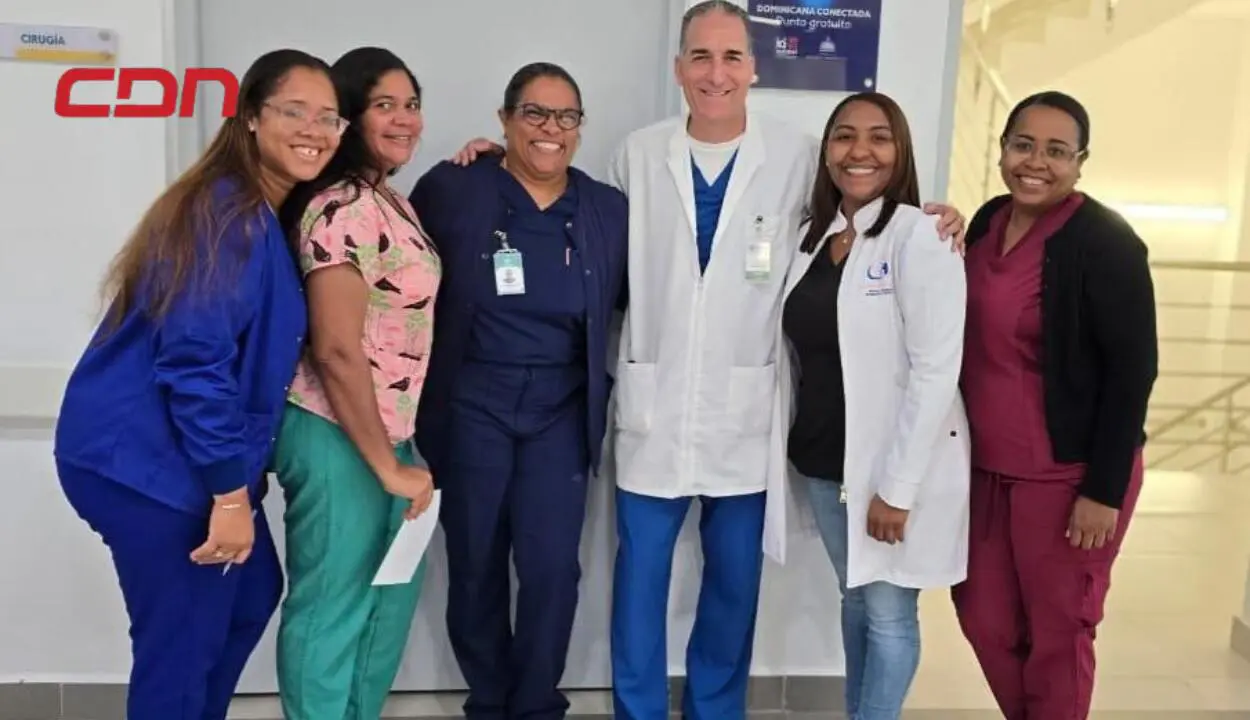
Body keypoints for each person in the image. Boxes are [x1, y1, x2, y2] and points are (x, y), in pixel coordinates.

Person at [450, 4, 963, 716]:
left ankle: (714, 710)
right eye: (700, 56)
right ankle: (638, 709)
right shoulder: (636, 155)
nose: (715, 73)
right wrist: (493, 160)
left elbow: (856, 216)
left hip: (747, 412)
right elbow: (580, 226)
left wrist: (938, 213)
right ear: (678, 68)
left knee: (732, 588)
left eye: (730, 57)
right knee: (639, 583)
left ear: (753, 68)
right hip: (654, 406)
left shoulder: (795, 156)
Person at [51, 49, 341, 720]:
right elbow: (194, 364)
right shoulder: (226, 214)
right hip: (144, 463)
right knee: (182, 645)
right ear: (250, 118)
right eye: (294, 111)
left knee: (247, 597)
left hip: (178, 456)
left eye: (329, 117)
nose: (314, 129)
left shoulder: (260, 212)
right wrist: (229, 495)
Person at [408, 62, 628, 720]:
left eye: (566, 116)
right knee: (475, 560)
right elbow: (404, 281)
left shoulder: (605, 209)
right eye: (534, 113)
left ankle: (535, 705)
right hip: (471, 401)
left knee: (552, 567)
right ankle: (488, 700)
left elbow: (635, 297)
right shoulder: (453, 187)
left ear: (580, 128)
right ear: (504, 120)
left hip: (560, 409)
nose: (550, 129)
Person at [951, 91, 1158, 720]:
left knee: (1059, 631)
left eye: (1056, 151)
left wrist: (1103, 489)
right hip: (985, 468)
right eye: (1023, 145)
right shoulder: (988, 221)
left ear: (1079, 163)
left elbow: (1132, 373)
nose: (1036, 162)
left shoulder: (1106, 242)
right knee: (983, 617)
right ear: (1002, 150)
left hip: (1068, 476)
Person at [781, 91, 969, 720]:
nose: (859, 151)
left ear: (901, 152)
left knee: (889, 614)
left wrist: (898, 488)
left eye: (879, 137)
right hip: (822, 461)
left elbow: (936, 372)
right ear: (826, 152)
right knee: (855, 598)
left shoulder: (922, 236)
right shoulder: (812, 238)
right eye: (844, 136)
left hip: (890, 469)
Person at [272, 47, 441, 720]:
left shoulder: (390, 200)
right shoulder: (340, 207)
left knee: (384, 604)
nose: (404, 119)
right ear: (349, 118)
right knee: (333, 606)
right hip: (334, 431)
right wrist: (386, 465)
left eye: (412, 104)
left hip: (388, 432)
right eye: (384, 105)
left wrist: (396, 454)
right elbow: (337, 349)